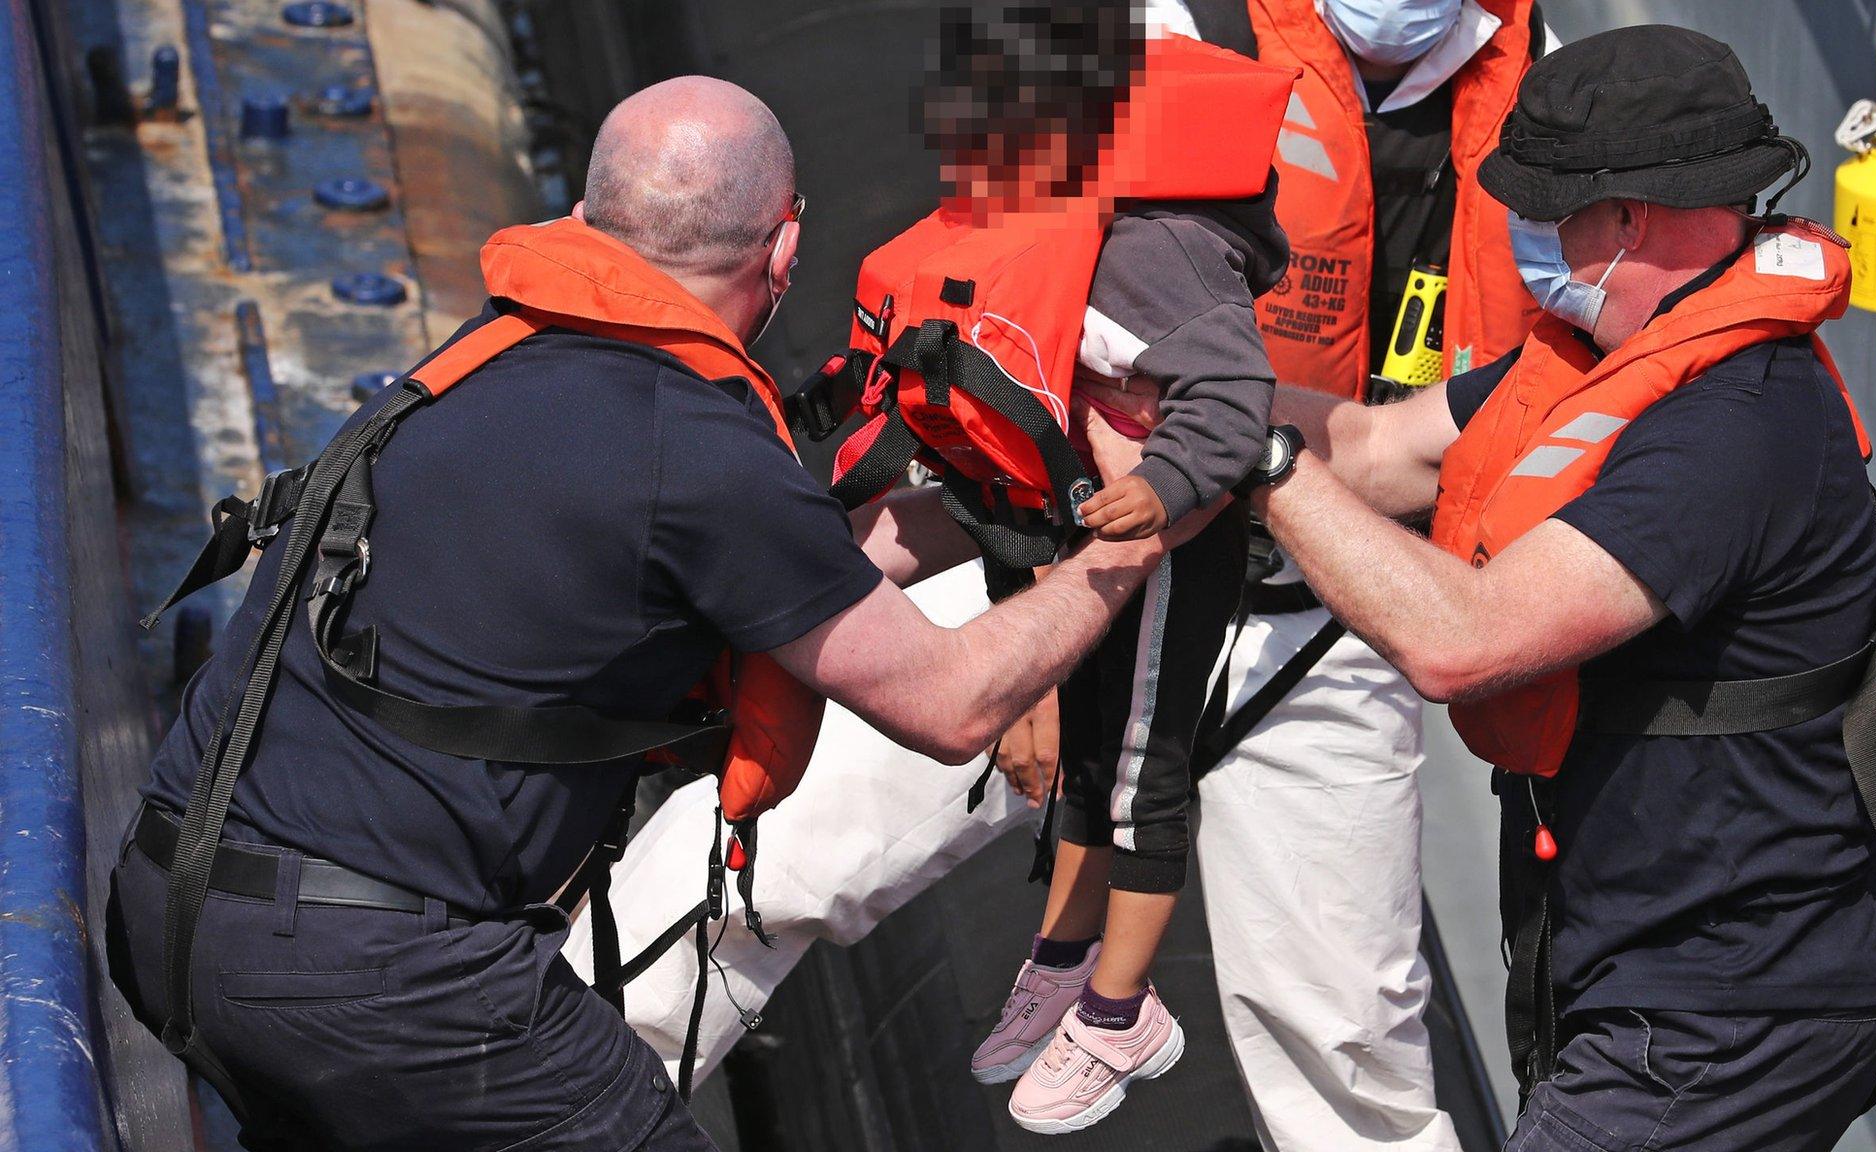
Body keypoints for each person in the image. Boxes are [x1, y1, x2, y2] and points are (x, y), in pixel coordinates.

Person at [102, 74, 1200, 1152]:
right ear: (782, 251)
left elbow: (781, 568)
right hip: (388, 982)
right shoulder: (699, 449)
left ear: (585, 220)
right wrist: (1141, 527)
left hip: (174, 905)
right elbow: (953, 703)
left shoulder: (497, 352)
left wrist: (999, 504)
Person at [1088, 24, 1876, 1152]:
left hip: (1730, 1003)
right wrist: (1195, 387)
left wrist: (1249, 458)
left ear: (1624, 218)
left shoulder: (1727, 424)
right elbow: (1385, 451)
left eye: (1544, 213)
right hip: (1638, 964)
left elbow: (1464, 642)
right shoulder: (1599, 364)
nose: (1522, 239)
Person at [992, 1, 1542, 1147]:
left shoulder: (1555, 91)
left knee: (1346, 1056)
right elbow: (1009, 321)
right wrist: (1022, 624)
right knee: (792, 863)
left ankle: (1106, 1004)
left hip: (1336, 622)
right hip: (1088, 559)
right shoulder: (1161, 25)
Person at [917, 13, 1290, 1133]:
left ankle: (1125, 1015)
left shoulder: (1155, 246)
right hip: (1090, 536)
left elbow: (1229, 397)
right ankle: (1065, 959)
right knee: (1087, 758)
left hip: (1165, 550)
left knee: (1139, 774)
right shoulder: (1055, 223)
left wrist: (1163, 485)